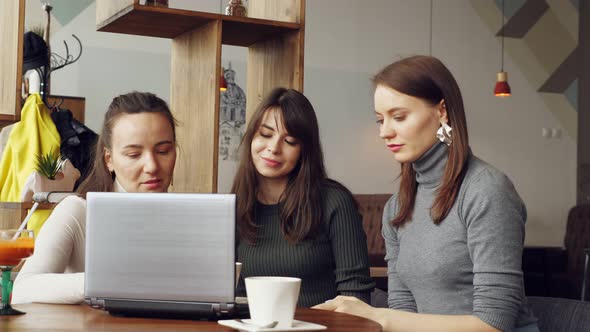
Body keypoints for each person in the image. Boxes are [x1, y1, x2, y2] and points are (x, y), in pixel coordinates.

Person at [314, 56, 540, 332]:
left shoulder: (487, 190)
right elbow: (403, 312)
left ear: (442, 111)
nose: (385, 132)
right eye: (379, 120)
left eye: (398, 117)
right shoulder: (397, 208)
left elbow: (494, 323)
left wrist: (378, 317)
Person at [12, 91, 177, 304]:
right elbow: (24, 288)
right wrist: (105, 282)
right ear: (109, 159)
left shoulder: (185, 218)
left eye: (163, 151)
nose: (152, 166)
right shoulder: (78, 211)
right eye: (134, 155)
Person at [233, 87, 375, 307]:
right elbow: (232, 295)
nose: (273, 148)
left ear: (304, 151)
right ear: (252, 136)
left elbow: (354, 296)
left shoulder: (334, 202)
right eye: (266, 134)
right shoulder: (235, 207)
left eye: (289, 141)